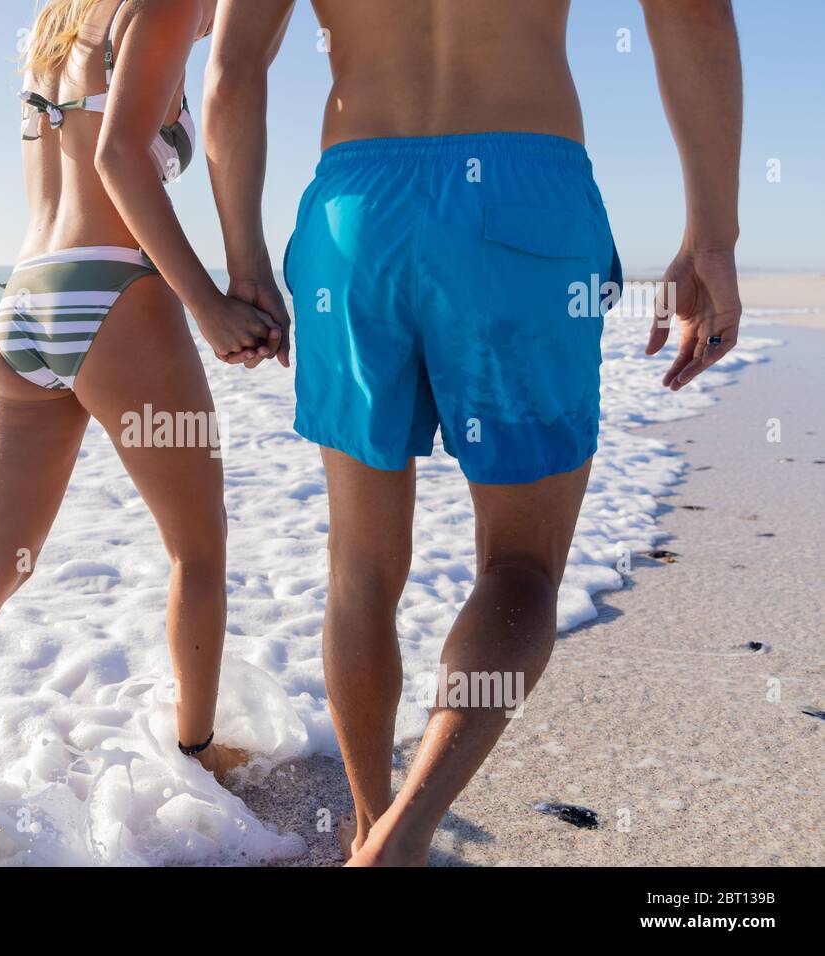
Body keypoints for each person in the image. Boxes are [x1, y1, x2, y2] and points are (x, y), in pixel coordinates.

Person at [204, 0, 743, 865]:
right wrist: (711, 237)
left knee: (361, 564)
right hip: (525, 197)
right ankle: (405, 836)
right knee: (521, 566)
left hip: (357, 214)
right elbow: (693, 12)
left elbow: (232, 69)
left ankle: (369, 826)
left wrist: (244, 261)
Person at [0, 0, 280, 846]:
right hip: (114, 295)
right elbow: (120, 156)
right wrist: (205, 301)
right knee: (198, 548)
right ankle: (196, 751)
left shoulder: (62, 20)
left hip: (28, 301)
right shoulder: (166, 5)